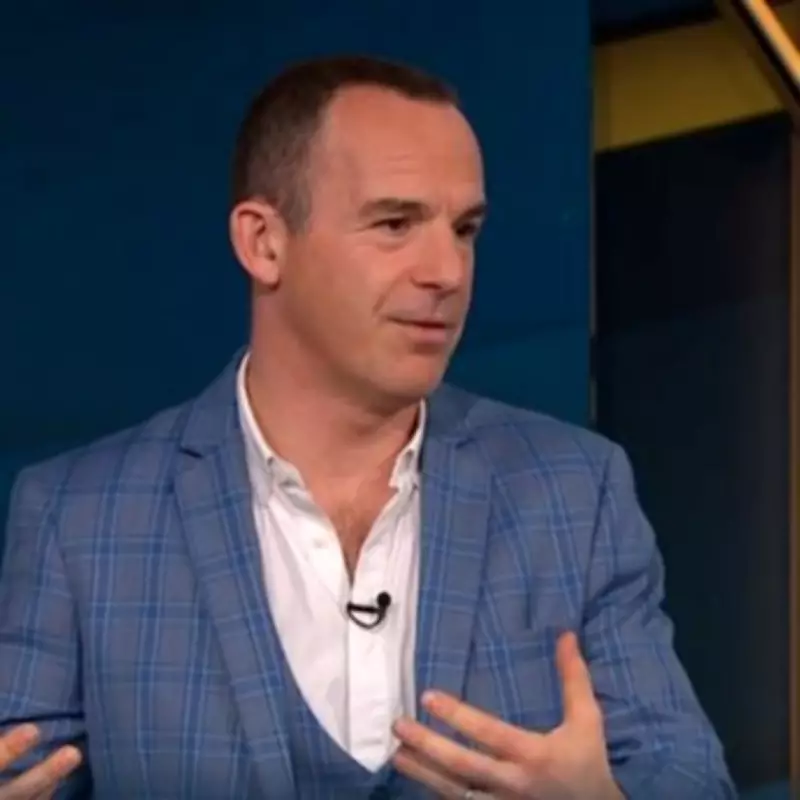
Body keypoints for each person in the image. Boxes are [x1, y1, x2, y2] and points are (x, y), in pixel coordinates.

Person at [0, 55, 735, 800]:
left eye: (465, 229)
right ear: (263, 243)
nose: (448, 270)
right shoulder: (80, 520)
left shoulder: (574, 492)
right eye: (395, 224)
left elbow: (691, 778)